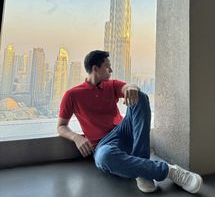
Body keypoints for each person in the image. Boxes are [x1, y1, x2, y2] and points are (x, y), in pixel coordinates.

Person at [57, 50, 203, 194]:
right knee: (104, 158)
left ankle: (142, 169)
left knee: (140, 96)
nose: (111, 70)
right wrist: (76, 138)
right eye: (107, 67)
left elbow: (128, 88)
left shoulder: (111, 84)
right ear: (95, 69)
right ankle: (168, 171)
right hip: (104, 145)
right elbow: (61, 126)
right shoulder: (72, 95)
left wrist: (132, 87)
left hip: (124, 130)